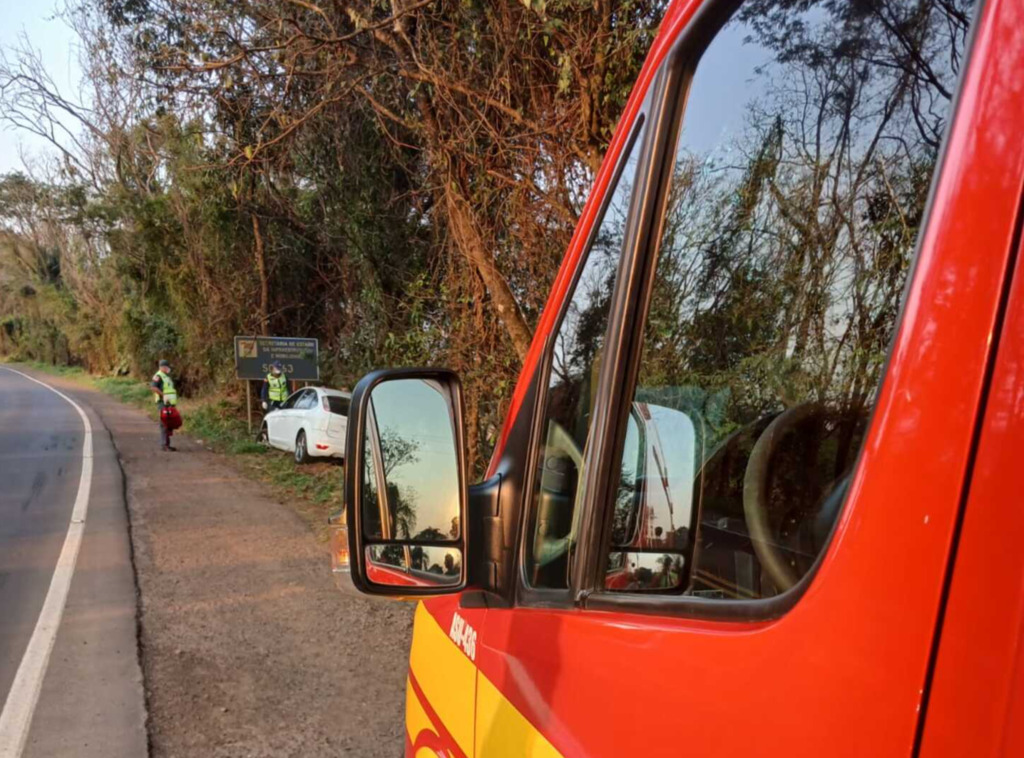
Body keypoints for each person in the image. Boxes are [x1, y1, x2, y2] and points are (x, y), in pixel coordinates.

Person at [151, 359, 178, 452]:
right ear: (162, 367)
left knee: (169, 424)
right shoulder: (158, 376)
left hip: (170, 404)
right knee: (164, 423)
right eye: (166, 367)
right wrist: (163, 396)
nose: (168, 368)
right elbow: (154, 387)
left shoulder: (166, 376)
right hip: (163, 403)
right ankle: (164, 445)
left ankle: (167, 444)